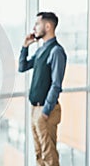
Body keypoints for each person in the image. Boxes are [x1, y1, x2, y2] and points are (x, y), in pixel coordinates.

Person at [18, 12, 67, 166]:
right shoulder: (41, 50)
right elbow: (22, 66)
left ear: (48, 26)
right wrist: (25, 46)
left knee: (49, 157)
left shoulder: (56, 51)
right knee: (39, 154)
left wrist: (45, 111)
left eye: (37, 24)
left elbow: (56, 84)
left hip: (46, 111)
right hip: (35, 109)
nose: (34, 28)